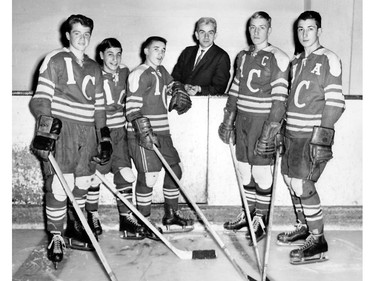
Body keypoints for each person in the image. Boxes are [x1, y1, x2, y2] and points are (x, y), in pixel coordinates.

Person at [29, 14, 112, 267]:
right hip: (62, 129)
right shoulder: (54, 59)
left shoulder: (95, 68)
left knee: (84, 181)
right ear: (68, 34)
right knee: (58, 185)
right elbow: (40, 98)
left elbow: (100, 107)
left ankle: (76, 225)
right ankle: (56, 235)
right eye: (77, 33)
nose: (82, 38)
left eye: (87, 34)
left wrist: (104, 137)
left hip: (87, 131)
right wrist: (45, 131)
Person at [277, 11, 345, 264]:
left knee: (303, 185)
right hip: (292, 133)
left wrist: (321, 136)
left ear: (319, 31)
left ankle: (318, 239)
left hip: (311, 134)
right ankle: (304, 226)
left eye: (310, 28)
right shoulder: (295, 63)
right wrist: (281, 130)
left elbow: (336, 103)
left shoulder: (329, 58)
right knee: (289, 180)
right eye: (301, 29)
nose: (305, 34)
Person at [218, 11, 290, 246]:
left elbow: (280, 99)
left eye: (261, 27)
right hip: (243, 121)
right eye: (252, 27)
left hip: (262, 120)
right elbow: (235, 90)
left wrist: (271, 129)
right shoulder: (242, 56)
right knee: (243, 170)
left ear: (269, 29)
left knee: (261, 173)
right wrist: (229, 119)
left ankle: (261, 217)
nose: (256, 31)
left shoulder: (278, 56)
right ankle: (248, 214)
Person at [125, 36, 193, 237]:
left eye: (163, 49)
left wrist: (179, 89)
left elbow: (171, 85)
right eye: (156, 49)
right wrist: (144, 131)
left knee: (175, 171)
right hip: (142, 134)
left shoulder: (162, 71)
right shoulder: (138, 73)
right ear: (146, 50)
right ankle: (143, 220)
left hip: (163, 132)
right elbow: (131, 109)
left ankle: (171, 214)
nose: (161, 53)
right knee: (149, 177)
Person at [85, 38, 146, 240]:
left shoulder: (125, 72)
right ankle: (91, 215)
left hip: (120, 131)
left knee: (126, 174)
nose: (115, 58)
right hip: (100, 131)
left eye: (118, 54)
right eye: (110, 54)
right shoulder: (93, 73)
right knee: (95, 176)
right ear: (101, 55)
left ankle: (126, 217)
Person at [171, 17, 231, 96]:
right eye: (202, 32)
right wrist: (183, 87)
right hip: (181, 100)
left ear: (215, 35)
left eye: (210, 33)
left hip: (204, 103)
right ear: (197, 35)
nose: (206, 36)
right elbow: (175, 78)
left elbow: (220, 88)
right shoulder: (187, 52)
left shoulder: (222, 56)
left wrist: (199, 89)